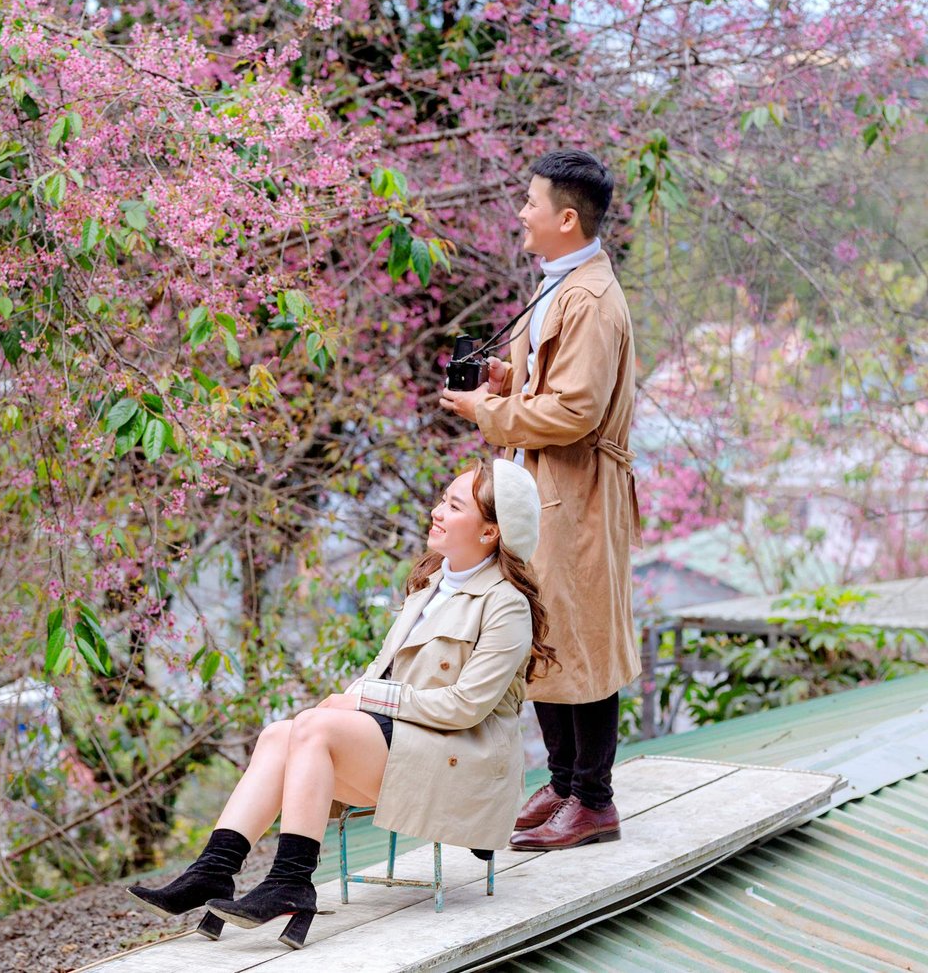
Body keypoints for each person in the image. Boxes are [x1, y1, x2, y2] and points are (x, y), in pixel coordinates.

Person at [127, 460, 553, 949]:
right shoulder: (431, 585)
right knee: (278, 734)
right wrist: (356, 698)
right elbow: (381, 669)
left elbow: (465, 707)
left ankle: (291, 880)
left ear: (490, 532)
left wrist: (363, 700)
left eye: (454, 506)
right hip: (413, 741)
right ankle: (214, 870)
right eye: (443, 499)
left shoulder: (505, 604)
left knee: (314, 728)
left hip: (464, 761)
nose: (437, 512)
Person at [439, 148, 640, 851]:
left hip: (577, 486)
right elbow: (552, 383)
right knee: (546, 627)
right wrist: (502, 376)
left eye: (530, 202)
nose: (520, 213)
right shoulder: (561, 282)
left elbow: (576, 410)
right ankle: (562, 779)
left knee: (582, 634)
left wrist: (487, 414)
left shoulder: (587, 298)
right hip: (544, 485)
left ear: (565, 217)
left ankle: (594, 798)